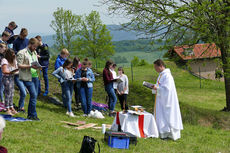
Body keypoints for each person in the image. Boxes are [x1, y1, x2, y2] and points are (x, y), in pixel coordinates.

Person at [152, 59, 183, 140]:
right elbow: (160, 85)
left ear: (161, 66)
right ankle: (162, 133)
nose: (155, 69)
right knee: (161, 116)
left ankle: (170, 134)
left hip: (167, 101)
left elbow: (167, 89)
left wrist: (157, 88)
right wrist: (155, 87)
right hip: (161, 100)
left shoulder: (167, 76)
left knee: (168, 117)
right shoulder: (161, 75)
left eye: (156, 67)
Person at [17, 38, 41, 120]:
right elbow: (19, 65)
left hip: (35, 76)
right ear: (30, 44)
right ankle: (33, 115)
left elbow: (36, 62)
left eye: (36, 47)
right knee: (33, 95)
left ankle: (30, 114)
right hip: (27, 77)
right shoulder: (22, 52)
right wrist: (30, 66)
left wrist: (38, 66)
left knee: (34, 96)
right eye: (34, 46)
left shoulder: (34, 52)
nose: (35, 48)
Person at [1, 49, 18, 115]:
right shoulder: (4, 60)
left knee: (12, 92)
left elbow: (15, 67)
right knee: (7, 93)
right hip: (6, 77)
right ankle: (7, 108)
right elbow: (4, 71)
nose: (13, 55)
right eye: (12, 54)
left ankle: (11, 107)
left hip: (11, 77)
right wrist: (12, 72)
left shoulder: (13, 60)